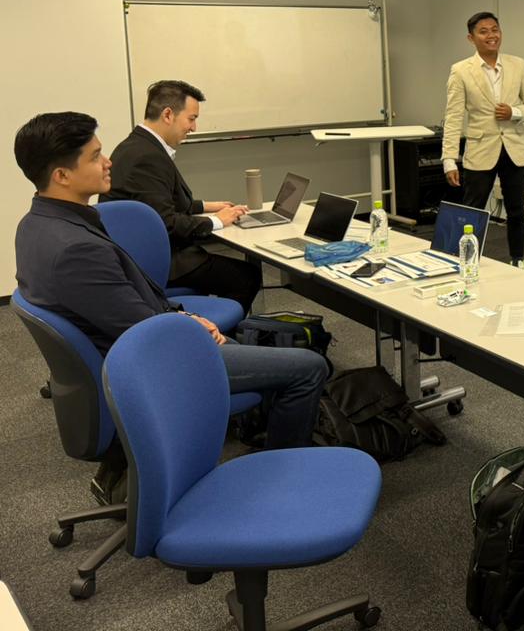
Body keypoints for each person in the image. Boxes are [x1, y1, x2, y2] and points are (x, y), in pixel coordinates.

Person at [13, 112, 327, 458]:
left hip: (127, 350)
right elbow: (142, 329)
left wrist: (186, 317)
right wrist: (189, 326)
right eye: (95, 156)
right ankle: (283, 468)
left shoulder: (35, 224)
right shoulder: (77, 250)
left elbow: (121, 308)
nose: (108, 162)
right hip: (150, 367)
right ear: (62, 175)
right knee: (308, 367)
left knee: (245, 345)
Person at [101, 79, 259, 313]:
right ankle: (212, 333)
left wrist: (206, 206)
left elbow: (156, 202)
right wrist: (216, 221)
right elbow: (166, 222)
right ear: (168, 115)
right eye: (191, 119)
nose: (194, 128)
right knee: (246, 276)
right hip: (160, 262)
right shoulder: (147, 157)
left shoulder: (137, 145)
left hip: (139, 255)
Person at [442, 12, 524, 267]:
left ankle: (518, 260)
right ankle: (466, 263)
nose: (491, 35)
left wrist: (514, 112)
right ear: (471, 38)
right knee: (472, 211)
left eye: (495, 29)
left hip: (514, 149)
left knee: (517, 211)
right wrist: (449, 160)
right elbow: (453, 117)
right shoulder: (461, 71)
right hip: (480, 149)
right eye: (483, 31)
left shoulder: (518, 65)